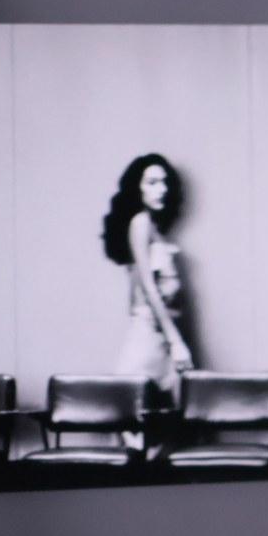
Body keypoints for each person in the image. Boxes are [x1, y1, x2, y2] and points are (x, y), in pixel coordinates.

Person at [102, 153, 192, 399]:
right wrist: (175, 341)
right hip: (152, 332)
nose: (161, 189)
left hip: (162, 331)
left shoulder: (154, 228)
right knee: (130, 406)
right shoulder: (140, 223)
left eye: (164, 182)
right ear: (137, 188)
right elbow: (148, 286)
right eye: (151, 183)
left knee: (165, 407)